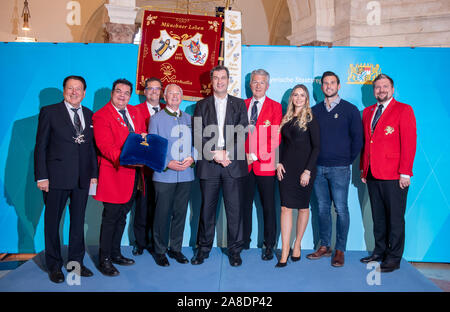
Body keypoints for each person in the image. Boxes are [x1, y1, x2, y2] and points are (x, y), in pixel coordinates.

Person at [34, 75, 98, 283]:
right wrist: (42, 176)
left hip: (82, 179)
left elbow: (90, 149)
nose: (74, 92)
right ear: (64, 90)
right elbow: (40, 147)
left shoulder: (89, 114)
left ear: (84, 92)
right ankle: (54, 265)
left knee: (77, 223)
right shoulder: (49, 112)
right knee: (53, 223)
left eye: (78, 89)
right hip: (55, 178)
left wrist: (93, 175)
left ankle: (75, 263)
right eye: (70, 88)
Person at [192, 65, 249, 267]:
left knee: (234, 210)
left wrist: (227, 153)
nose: (219, 81)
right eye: (216, 78)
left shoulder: (239, 104)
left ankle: (235, 251)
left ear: (228, 80)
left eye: (223, 78)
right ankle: (203, 249)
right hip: (210, 164)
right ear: (211, 81)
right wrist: (214, 154)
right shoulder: (201, 105)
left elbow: (243, 132)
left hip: (233, 163)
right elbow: (197, 135)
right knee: (207, 210)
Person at [360, 74, 417, 273]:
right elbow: (367, 143)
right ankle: (379, 252)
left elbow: (409, 143)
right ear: (373, 90)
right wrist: (363, 168)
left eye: (385, 86)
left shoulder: (404, 110)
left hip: (395, 175)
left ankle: (393, 258)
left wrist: (405, 173)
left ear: (392, 90)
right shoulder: (368, 112)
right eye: (377, 87)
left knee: (395, 218)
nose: (381, 90)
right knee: (378, 217)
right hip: (373, 173)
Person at [306, 71, 363, 267]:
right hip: (318, 168)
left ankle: (340, 249)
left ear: (339, 86)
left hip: (340, 168)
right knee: (322, 209)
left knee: (340, 209)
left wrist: (346, 160)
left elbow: (358, 139)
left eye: (332, 83)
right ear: (321, 87)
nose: (329, 86)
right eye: (325, 83)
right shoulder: (314, 111)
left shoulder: (350, 110)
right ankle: (324, 246)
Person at [93, 78, 147, 276]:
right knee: (110, 219)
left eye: (126, 92)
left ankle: (116, 253)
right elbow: (105, 147)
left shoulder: (135, 112)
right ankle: (104, 259)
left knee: (122, 217)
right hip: (114, 174)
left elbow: (143, 137)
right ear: (112, 93)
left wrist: (145, 154)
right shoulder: (101, 116)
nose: (122, 95)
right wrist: (129, 159)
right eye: (118, 91)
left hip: (134, 176)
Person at [148, 84, 195, 266]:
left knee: (180, 213)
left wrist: (192, 158)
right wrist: (167, 163)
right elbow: (153, 147)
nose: (175, 96)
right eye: (171, 93)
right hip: (165, 175)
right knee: (162, 214)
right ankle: (160, 251)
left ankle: (176, 248)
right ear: (164, 97)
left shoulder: (189, 118)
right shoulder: (156, 119)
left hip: (186, 174)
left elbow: (197, 143)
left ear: (182, 97)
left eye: (178, 93)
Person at [276, 84, 320, 267]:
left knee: (302, 208)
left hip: (304, 170)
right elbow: (280, 144)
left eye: (302, 95)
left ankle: (297, 244)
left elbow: (317, 147)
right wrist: (277, 162)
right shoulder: (285, 118)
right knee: (285, 208)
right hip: (286, 169)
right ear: (292, 98)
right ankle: (285, 249)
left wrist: (308, 171)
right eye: (296, 95)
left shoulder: (310, 118)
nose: (299, 98)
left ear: (307, 98)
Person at [243, 69, 282, 260]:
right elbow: (236, 134)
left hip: (265, 164)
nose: (258, 86)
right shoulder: (241, 105)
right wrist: (244, 155)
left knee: (268, 206)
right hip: (244, 164)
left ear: (268, 85)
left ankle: (269, 244)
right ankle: (243, 240)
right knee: (244, 205)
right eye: (255, 82)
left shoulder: (275, 107)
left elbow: (275, 137)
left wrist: (255, 155)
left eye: (262, 83)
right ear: (250, 85)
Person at [132, 77, 166, 256]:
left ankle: (156, 241)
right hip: (143, 167)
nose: (154, 92)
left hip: (161, 166)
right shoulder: (135, 111)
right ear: (144, 92)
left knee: (158, 206)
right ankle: (140, 241)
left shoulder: (166, 109)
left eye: (157, 88)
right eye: (150, 88)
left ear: (161, 92)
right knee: (142, 205)